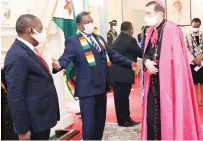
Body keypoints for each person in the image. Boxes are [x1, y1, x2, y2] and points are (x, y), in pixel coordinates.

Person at [52, 12, 138, 140]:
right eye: (86, 22)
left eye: (91, 21)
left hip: (101, 86)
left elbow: (113, 55)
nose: (89, 24)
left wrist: (129, 63)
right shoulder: (73, 41)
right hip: (87, 89)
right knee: (89, 124)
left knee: (99, 122)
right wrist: (59, 65)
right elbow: (66, 57)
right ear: (79, 25)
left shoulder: (99, 39)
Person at [141, 0, 203, 140]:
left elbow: (178, 62)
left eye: (148, 13)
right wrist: (147, 61)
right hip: (153, 83)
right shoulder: (151, 31)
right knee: (151, 119)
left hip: (170, 84)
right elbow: (146, 53)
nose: (146, 16)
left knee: (169, 117)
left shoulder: (173, 29)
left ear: (160, 14)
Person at [4, 14, 60, 140]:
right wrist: (22, 129)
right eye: (40, 29)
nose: (42, 33)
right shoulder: (17, 55)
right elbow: (15, 96)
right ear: (30, 31)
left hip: (41, 118)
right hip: (33, 122)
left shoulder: (28, 50)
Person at [111, 21, 143, 127]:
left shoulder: (116, 39)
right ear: (130, 29)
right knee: (123, 99)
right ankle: (124, 121)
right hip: (124, 73)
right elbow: (140, 53)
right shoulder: (130, 39)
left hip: (116, 74)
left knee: (120, 98)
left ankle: (125, 119)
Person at [185, 18, 203, 106]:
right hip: (192, 62)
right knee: (195, 82)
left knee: (202, 82)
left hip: (202, 61)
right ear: (191, 25)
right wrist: (194, 60)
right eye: (194, 26)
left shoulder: (202, 34)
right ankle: (196, 101)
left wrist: (200, 58)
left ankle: (202, 100)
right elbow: (186, 48)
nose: (195, 27)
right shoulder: (187, 34)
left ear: (199, 25)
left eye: (197, 26)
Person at [140, 26, 149, 103]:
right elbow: (141, 53)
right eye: (146, 31)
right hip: (145, 64)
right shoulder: (143, 42)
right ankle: (144, 99)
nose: (147, 33)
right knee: (144, 83)